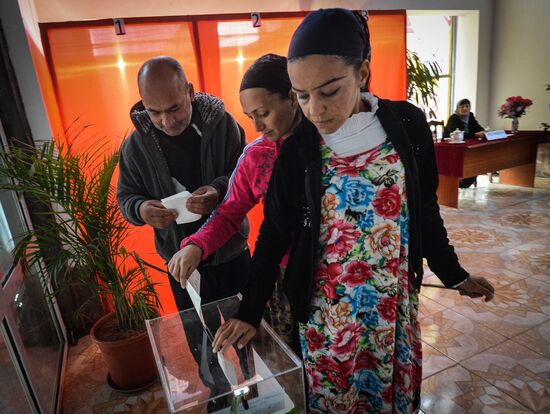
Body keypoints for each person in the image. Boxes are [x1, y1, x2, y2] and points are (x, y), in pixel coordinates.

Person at [212, 9, 495, 413]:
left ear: (362, 73)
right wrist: (250, 311)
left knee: (388, 397)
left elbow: (424, 209)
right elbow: (274, 233)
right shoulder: (298, 151)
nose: (314, 110)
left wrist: (455, 274)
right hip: (328, 312)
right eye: (302, 96)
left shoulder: (407, 124)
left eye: (329, 91)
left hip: (390, 302)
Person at [116, 56, 250, 408]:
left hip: (232, 251)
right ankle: (218, 394)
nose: (166, 120)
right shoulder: (135, 146)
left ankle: (255, 383)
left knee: (248, 323)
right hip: (179, 262)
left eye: (175, 108)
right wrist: (142, 210)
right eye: (154, 112)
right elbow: (126, 198)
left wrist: (216, 190)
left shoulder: (223, 126)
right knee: (199, 334)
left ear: (190, 92)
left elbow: (244, 177)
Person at [168, 54, 303, 350]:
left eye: (263, 113)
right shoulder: (257, 156)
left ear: (293, 98)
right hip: (280, 275)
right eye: (250, 116)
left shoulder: (326, 145)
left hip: (335, 275)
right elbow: (229, 213)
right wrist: (196, 245)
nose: (257, 126)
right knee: (288, 356)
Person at [444, 99, 485, 188]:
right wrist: (475, 134)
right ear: (457, 108)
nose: (464, 108)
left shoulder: (470, 116)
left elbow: (479, 128)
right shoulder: (453, 118)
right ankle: (461, 183)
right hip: (452, 147)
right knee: (472, 160)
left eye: (467, 106)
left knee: (479, 160)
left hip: (467, 146)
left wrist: (484, 132)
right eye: (461, 106)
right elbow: (457, 134)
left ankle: (465, 182)